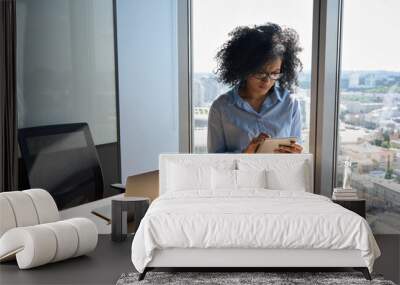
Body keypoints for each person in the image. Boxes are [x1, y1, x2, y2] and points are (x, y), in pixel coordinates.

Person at [207, 23, 304, 154]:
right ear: (245, 68)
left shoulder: (290, 104)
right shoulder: (221, 108)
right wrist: (245, 154)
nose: (267, 80)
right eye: (260, 72)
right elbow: (214, 161)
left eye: (275, 73)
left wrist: (296, 154)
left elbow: (297, 155)